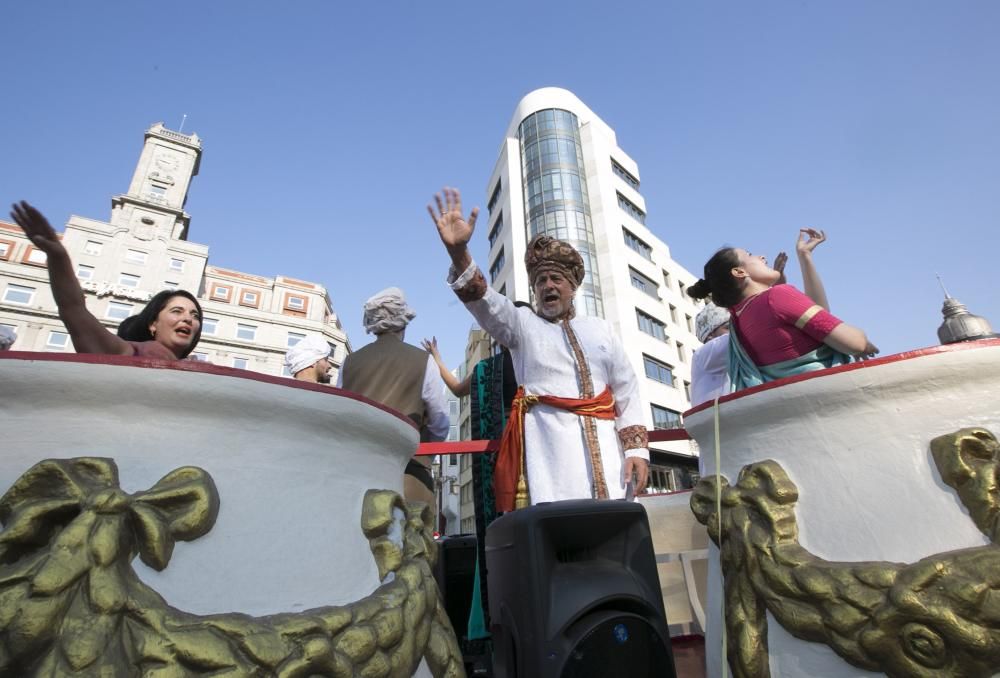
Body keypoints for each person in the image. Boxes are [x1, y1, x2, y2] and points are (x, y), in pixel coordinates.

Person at [427, 187, 649, 512]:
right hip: (551, 465)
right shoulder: (522, 326)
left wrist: (637, 451)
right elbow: (485, 302)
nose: (547, 285)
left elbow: (627, 391)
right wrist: (459, 253)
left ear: (572, 288)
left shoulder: (600, 330)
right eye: (541, 280)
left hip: (615, 466)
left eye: (556, 279)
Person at [9, 201, 202, 360]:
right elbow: (73, 309)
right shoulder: (128, 353)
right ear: (153, 324)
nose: (188, 318)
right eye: (177, 311)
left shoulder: (200, 370)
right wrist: (57, 256)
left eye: (195, 316)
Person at [687, 229, 877, 391]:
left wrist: (805, 257)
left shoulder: (739, 319)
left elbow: (821, 318)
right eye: (749, 254)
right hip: (828, 392)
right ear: (739, 272)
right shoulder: (776, 297)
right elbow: (855, 343)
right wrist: (863, 340)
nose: (761, 257)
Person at [338, 287, 450, 507]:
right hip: (409, 471)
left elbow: (341, 414)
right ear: (404, 321)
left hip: (357, 472)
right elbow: (440, 421)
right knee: (412, 535)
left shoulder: (349, 363)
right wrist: (426, 455)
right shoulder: (423, 360)